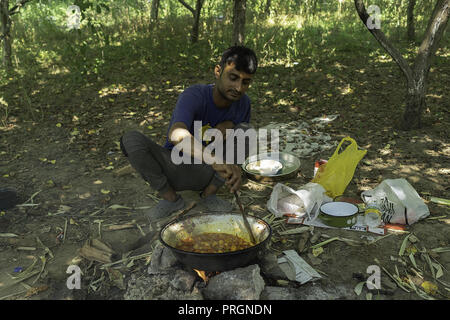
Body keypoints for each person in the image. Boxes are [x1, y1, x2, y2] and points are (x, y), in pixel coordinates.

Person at [120, 46, 258, 222]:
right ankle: (171, 199)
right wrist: (215, 160)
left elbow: (238, 146)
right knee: (131, 139)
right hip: (175, 166)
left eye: (245, 82)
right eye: (233, 78)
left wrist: (233, 162)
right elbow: (176, 134)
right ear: (218, 71)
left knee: (247, 131)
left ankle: (209, 196)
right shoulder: (194, 95)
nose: (238, 88)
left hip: (209, 175)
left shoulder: (244, 103)